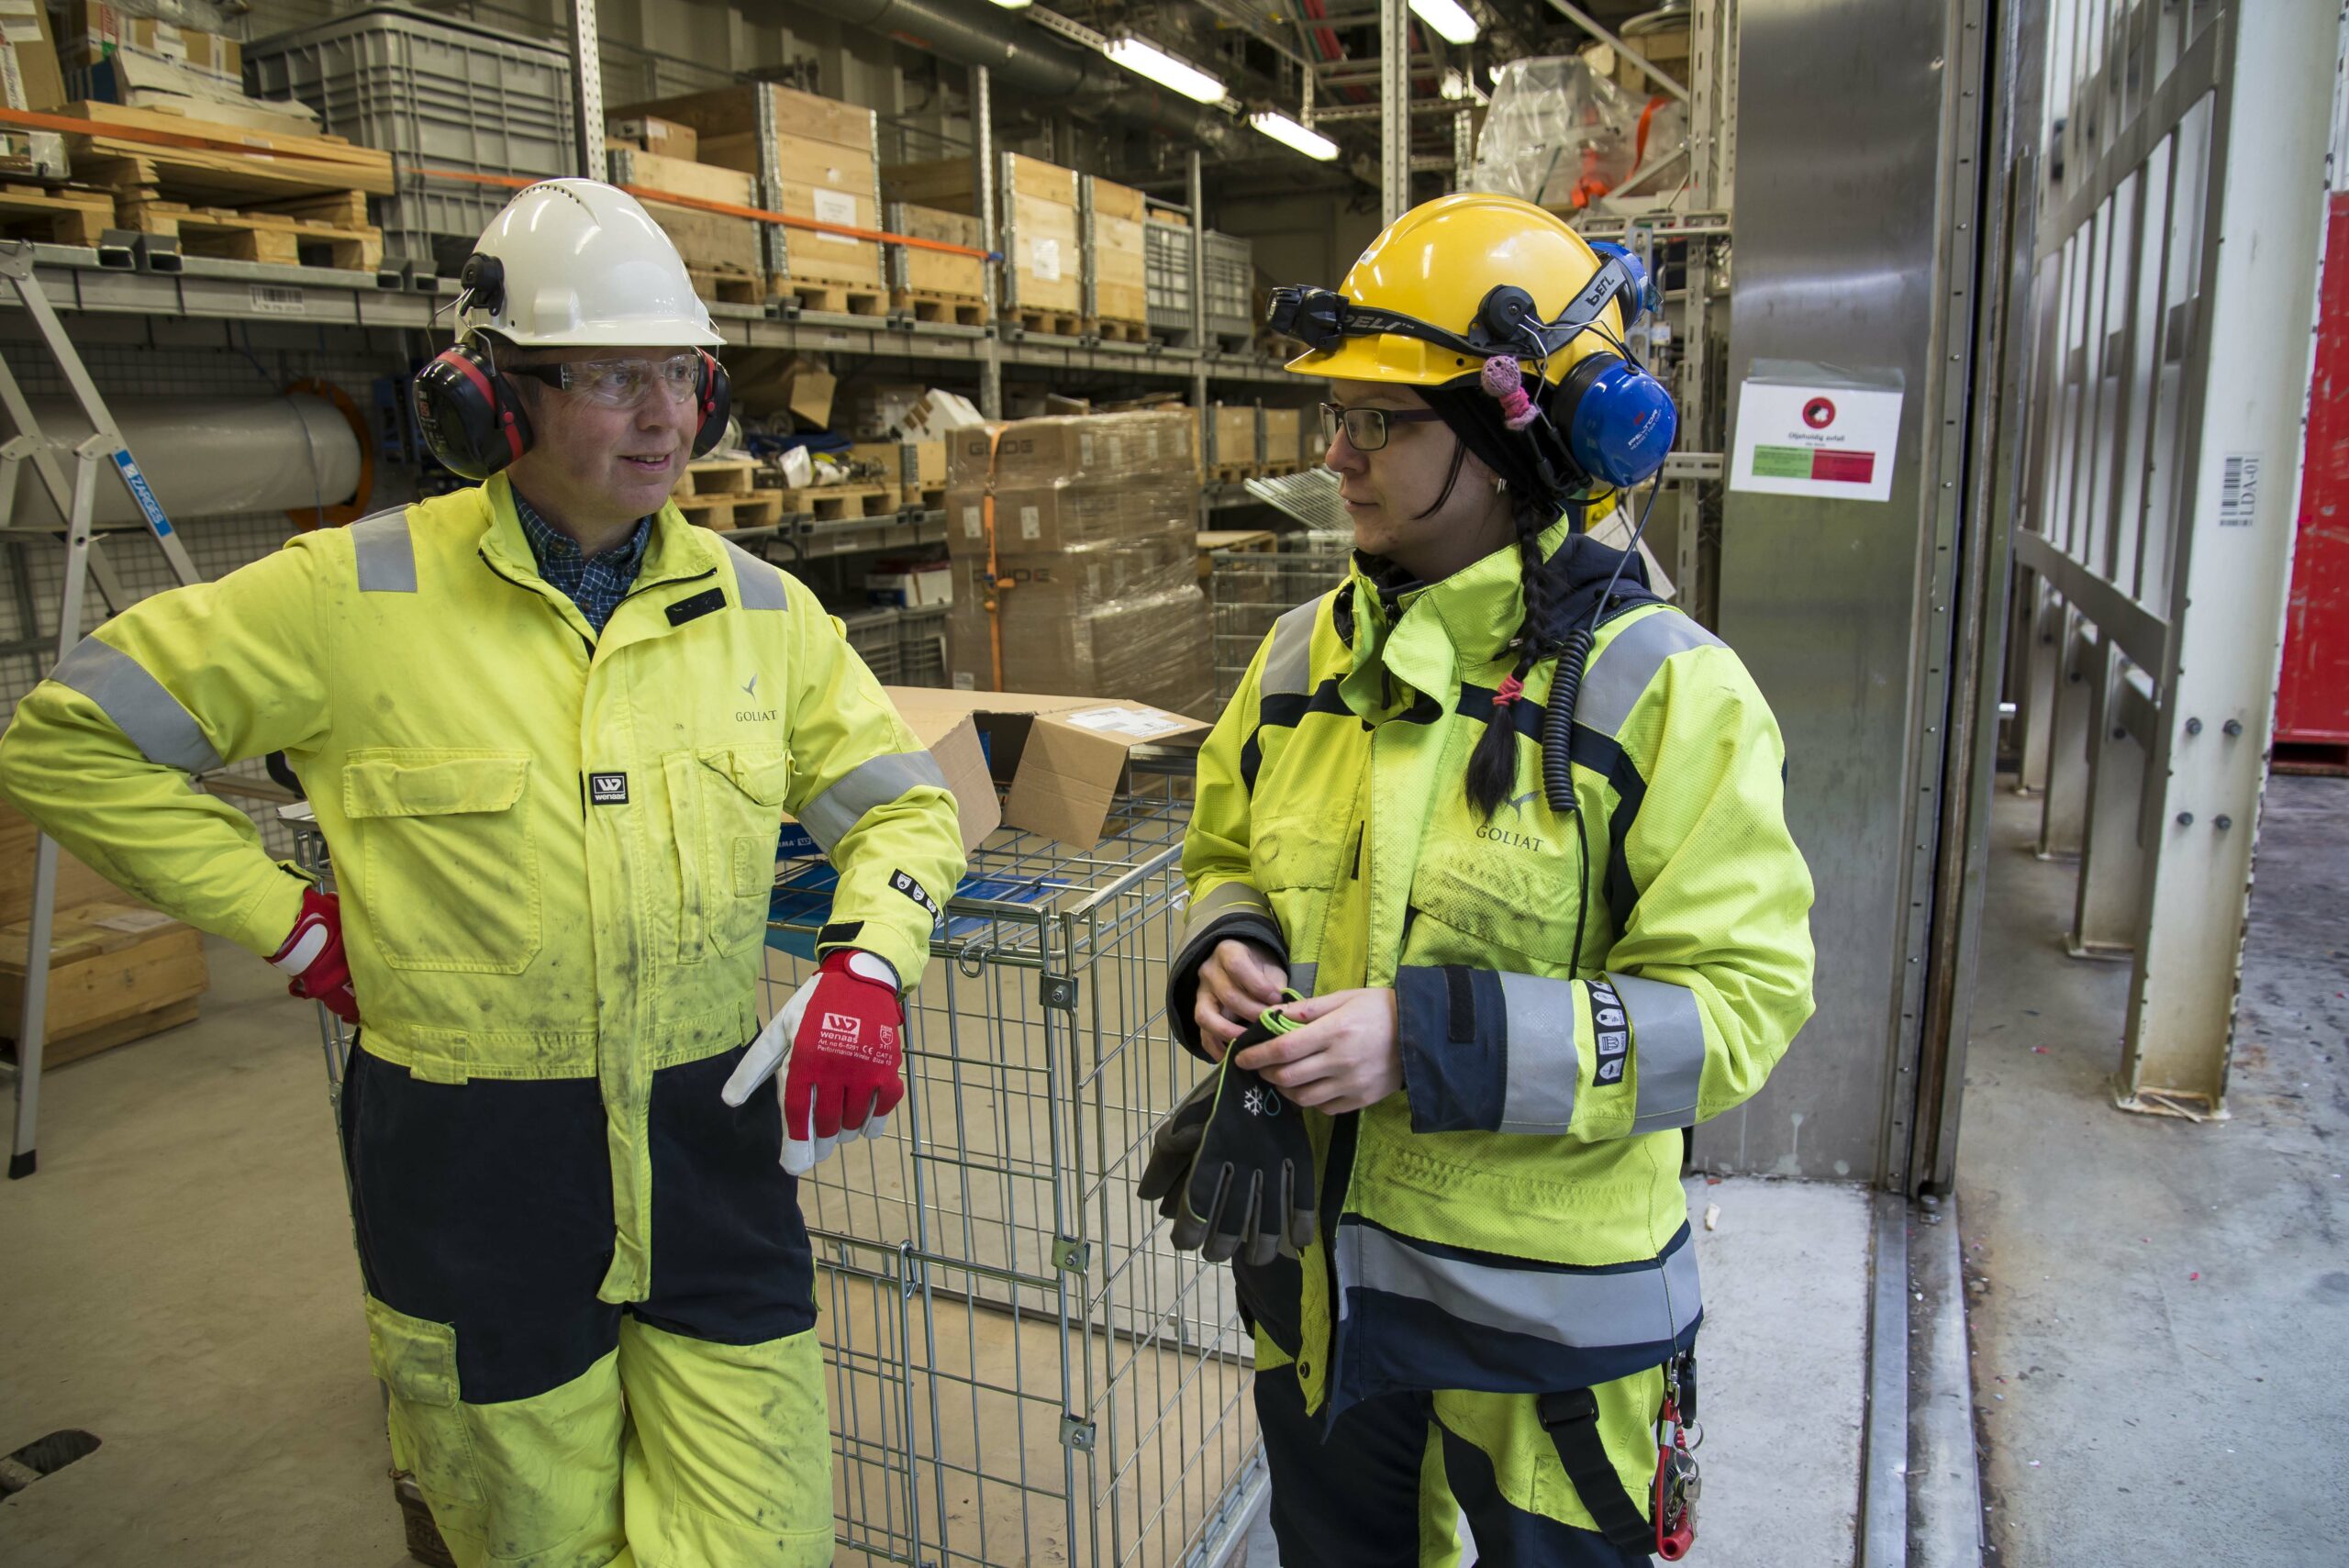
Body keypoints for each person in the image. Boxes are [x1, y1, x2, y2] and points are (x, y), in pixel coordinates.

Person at [0, 178, 964, 1567]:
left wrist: (869, 960)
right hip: (472, 1178)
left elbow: (908, 814)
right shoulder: (347, 599)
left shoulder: (765, 615)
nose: (666, 419)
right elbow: (67, 739)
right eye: (614, 379)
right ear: (489, 400)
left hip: (708, 1160)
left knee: (764, 1537)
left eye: (682, 378)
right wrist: (283, 926)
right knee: (530, 1541)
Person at [1165, 194, 1817, 1564]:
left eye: (1383, 421)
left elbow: (1739, 1008)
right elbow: (1222, 849)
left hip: (1553, 1345)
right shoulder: (1298, 660)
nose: (1335, 453)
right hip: (1326, 1307)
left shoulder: (1664, 694)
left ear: (1526, 431)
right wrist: (1223, 954)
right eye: (1332, 412)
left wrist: (1427, 1040)